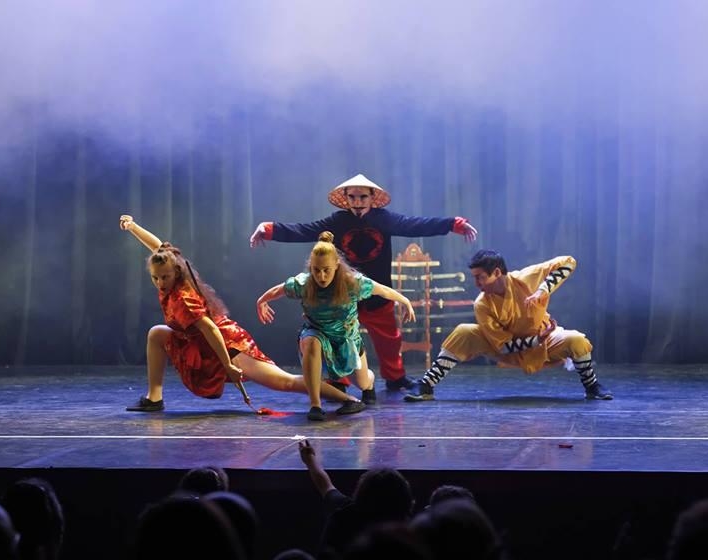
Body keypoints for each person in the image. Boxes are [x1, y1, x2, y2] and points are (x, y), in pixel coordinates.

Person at [249, 174, 477, 391]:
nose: (357, 202)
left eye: (363, 197)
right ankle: (339, 381)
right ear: (346, 198)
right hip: (343, 294)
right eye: (352, 197)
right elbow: (305, 230)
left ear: (372, 198)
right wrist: (268, 229)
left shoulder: (383, 219)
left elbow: (416, 224)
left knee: (389, 339)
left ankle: (395, 378)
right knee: (336, 338)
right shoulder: (338, 221)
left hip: (375, 291)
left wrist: (455, 224)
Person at [119, 215, 356, 412]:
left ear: (176, 271)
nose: (160, 282)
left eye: (165, 277)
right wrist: (133, 227)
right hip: (201, 343)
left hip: (228, 344)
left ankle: (348, 399)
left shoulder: (184, 298)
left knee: (284, 382)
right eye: (155, 278)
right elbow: (157, 246)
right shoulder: (167, 265)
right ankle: (154, 398)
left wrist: (228, 365)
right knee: (157, 334)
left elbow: (211, 329)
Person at [405, 249, 613, 402]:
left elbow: (568, 262)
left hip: (545, 342)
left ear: (497, 272)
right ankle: (426, 385)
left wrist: (543, 290)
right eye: (475, 278)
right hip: (510, 349)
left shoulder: (526, 278)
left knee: (576, 340)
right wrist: (535, 340)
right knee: (464, 332)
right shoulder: (482, 303)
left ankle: (592, 386)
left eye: (480, 277)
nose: (477, 283)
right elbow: (502, 346)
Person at [257, 232, 416, 420]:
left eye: (326, 270)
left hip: (346, 338)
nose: (321, 276)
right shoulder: (304, 283)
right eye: (316, 270)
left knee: (362, 382)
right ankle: (315, 405)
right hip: (317, 331)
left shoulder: (352, 283)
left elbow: (382, 290)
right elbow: (279, 289)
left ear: (336, 266)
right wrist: (261, 301)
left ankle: (370, 384)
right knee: (311, 342)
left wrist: (405, 301)